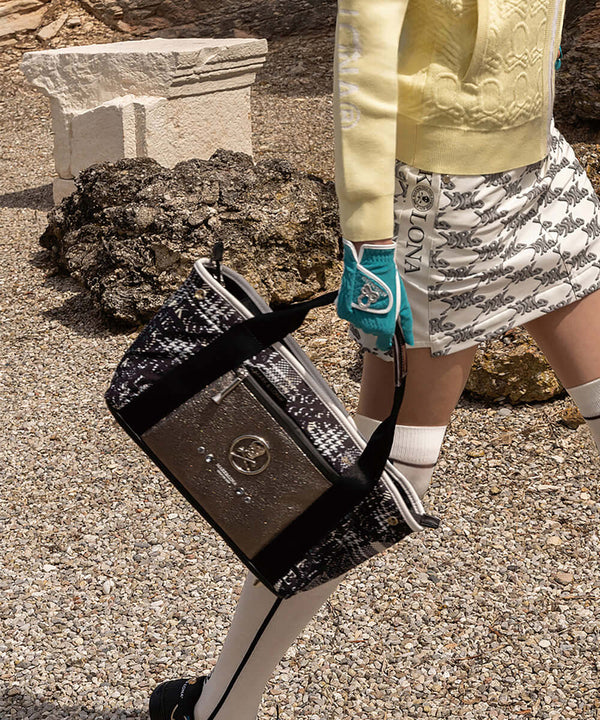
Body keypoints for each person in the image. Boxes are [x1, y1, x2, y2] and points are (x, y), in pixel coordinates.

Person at [148, 0, 600, 718]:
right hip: (444, 190)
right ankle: (227, 703)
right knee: (382, 469)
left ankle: (220, 708)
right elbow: (363, 57)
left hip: (533, 168)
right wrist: (370, 237)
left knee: (369, 476)